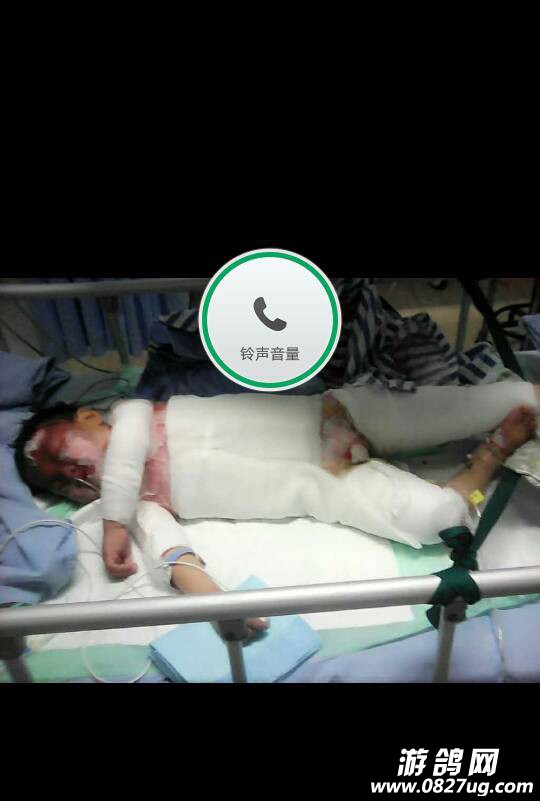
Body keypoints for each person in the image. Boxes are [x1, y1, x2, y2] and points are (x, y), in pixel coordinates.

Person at [13, 383, 540, 637]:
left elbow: (125, 454)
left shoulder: (132, 415)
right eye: (60, 485)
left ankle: (515, 406)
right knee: (433, 523)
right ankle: (489, 456)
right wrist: (218, 604)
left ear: (89, 417)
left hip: (336, 414)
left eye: (63, 453)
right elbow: (172, 553)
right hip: (330, 482)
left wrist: (111, 520)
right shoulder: (142, 506)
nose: (72, 473)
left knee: (502, 399)